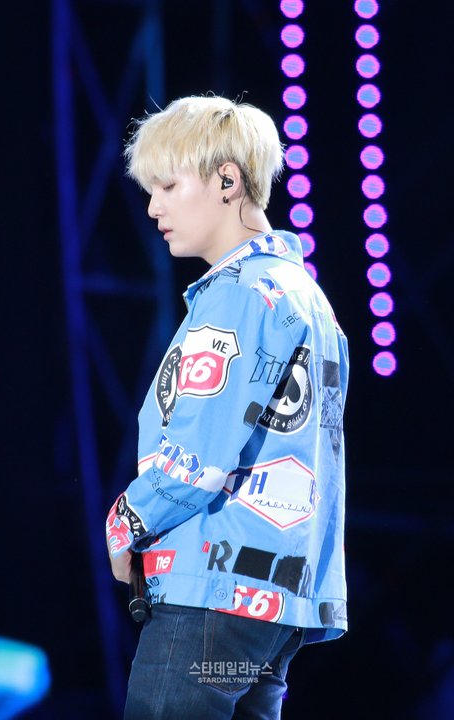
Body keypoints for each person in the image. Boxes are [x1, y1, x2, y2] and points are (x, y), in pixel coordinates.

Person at [106, 95, 349, 720]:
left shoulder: (240, 294)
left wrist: (126, 521)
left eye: (167, 185)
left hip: (211, 595)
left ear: (227, 180)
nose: (153, 207)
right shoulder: (308, 298)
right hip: (272, 604)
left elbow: (199, 454)